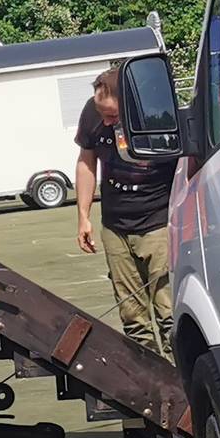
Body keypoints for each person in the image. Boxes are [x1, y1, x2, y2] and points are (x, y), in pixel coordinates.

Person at [75, 64, 176, 362]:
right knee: (132, 316)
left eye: (112, 116)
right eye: (102, 114)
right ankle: (151, 382)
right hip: (115, 224)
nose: (106, 122)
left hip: (158, 221)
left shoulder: (157, 114)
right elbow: (86, 162)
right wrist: (83, 215)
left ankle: (181, 381)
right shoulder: (93, 113)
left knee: (168, 310)